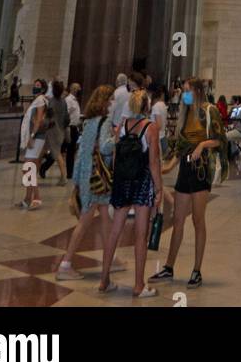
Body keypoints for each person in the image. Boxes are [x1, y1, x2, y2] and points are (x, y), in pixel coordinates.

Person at [149, 77, 227, 287]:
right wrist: (167, 166)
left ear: (197, 91)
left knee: (198, 220)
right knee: (178, 220)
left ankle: (196, 270)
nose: (184, 94)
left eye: (187, 91)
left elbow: (220, 139)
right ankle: (168, 267)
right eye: (184, 91)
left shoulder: (209, 111)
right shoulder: (185, 114)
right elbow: (181, 147)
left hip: (201, 170)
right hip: (185, 169)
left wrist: (202, 145)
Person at [99, 89, 162, 299]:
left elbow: (116, 157)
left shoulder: (122, 127)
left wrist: (117, 181)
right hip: (142, 182)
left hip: (122, 181)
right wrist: (159, 188)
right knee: (141, 235)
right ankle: (138, 285)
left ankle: (104, 280)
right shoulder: (150, 128)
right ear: (146, 106)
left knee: (115, 231)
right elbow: (153, 163)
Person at [56, 84, 116, 281]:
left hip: (87, 175)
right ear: (106, 101)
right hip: (98, 178)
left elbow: (81, 151)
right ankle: (65, 263)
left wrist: (77, 180)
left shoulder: (89, 122)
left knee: (106, 218)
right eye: (112, 98)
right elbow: (106, 148)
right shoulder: (105, 122)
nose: (113, 102)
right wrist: (118, 138)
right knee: (85, 222)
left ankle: (110, 257)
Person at [20, 79, 49, 210]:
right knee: (30, 168)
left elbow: (38, 120)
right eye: (34, 85)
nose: (35, 87)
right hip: (36, 137)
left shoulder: (41, 100)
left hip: (37, 137)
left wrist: (32, 135)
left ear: (43, 88)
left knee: (28, 167)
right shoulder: (37, 100)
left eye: (38, 86)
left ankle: (35, 197)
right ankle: (29, 197)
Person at [38, 80, 68, 184]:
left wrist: (43, 124)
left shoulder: (52, 102)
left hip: (52, 131)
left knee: (56, 154)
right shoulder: (64, 101)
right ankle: (36, 171)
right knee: (44, 151)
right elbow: (66, 118)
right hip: (60, 130)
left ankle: (64, 177)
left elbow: (48, 117)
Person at [64, 83, 82, 178]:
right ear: (73, 89)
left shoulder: (75, 100)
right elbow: (66, 114)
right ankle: (69, 173)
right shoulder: (69, 100)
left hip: (75, 128)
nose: (80, 90)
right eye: (78, 88)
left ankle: (70, 172)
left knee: (71, 150)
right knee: (69, 151)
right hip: (69, 128)